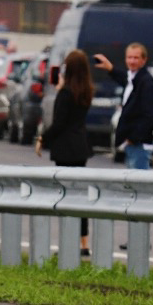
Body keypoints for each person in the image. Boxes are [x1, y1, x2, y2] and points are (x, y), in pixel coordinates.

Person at [37, 49, 94, 255]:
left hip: (65, 149)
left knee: (65, 197)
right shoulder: (86, 91)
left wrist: (43, 138)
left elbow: (59, 123)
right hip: (80, 147)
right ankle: (83, 243)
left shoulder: (66, 93)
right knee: (79, 197)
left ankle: (68, 242)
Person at [96, 42, 153, 170]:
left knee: (138, 186)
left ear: (144, 60)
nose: (132, 61)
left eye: (136, 58)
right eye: (129, 57)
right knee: (132, 186)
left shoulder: (147, 83)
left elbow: (150, 116)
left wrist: (133, 138)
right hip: (132, 145)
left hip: (139, 145)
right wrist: (110, 68)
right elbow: (124, 79)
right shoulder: (134, 79)